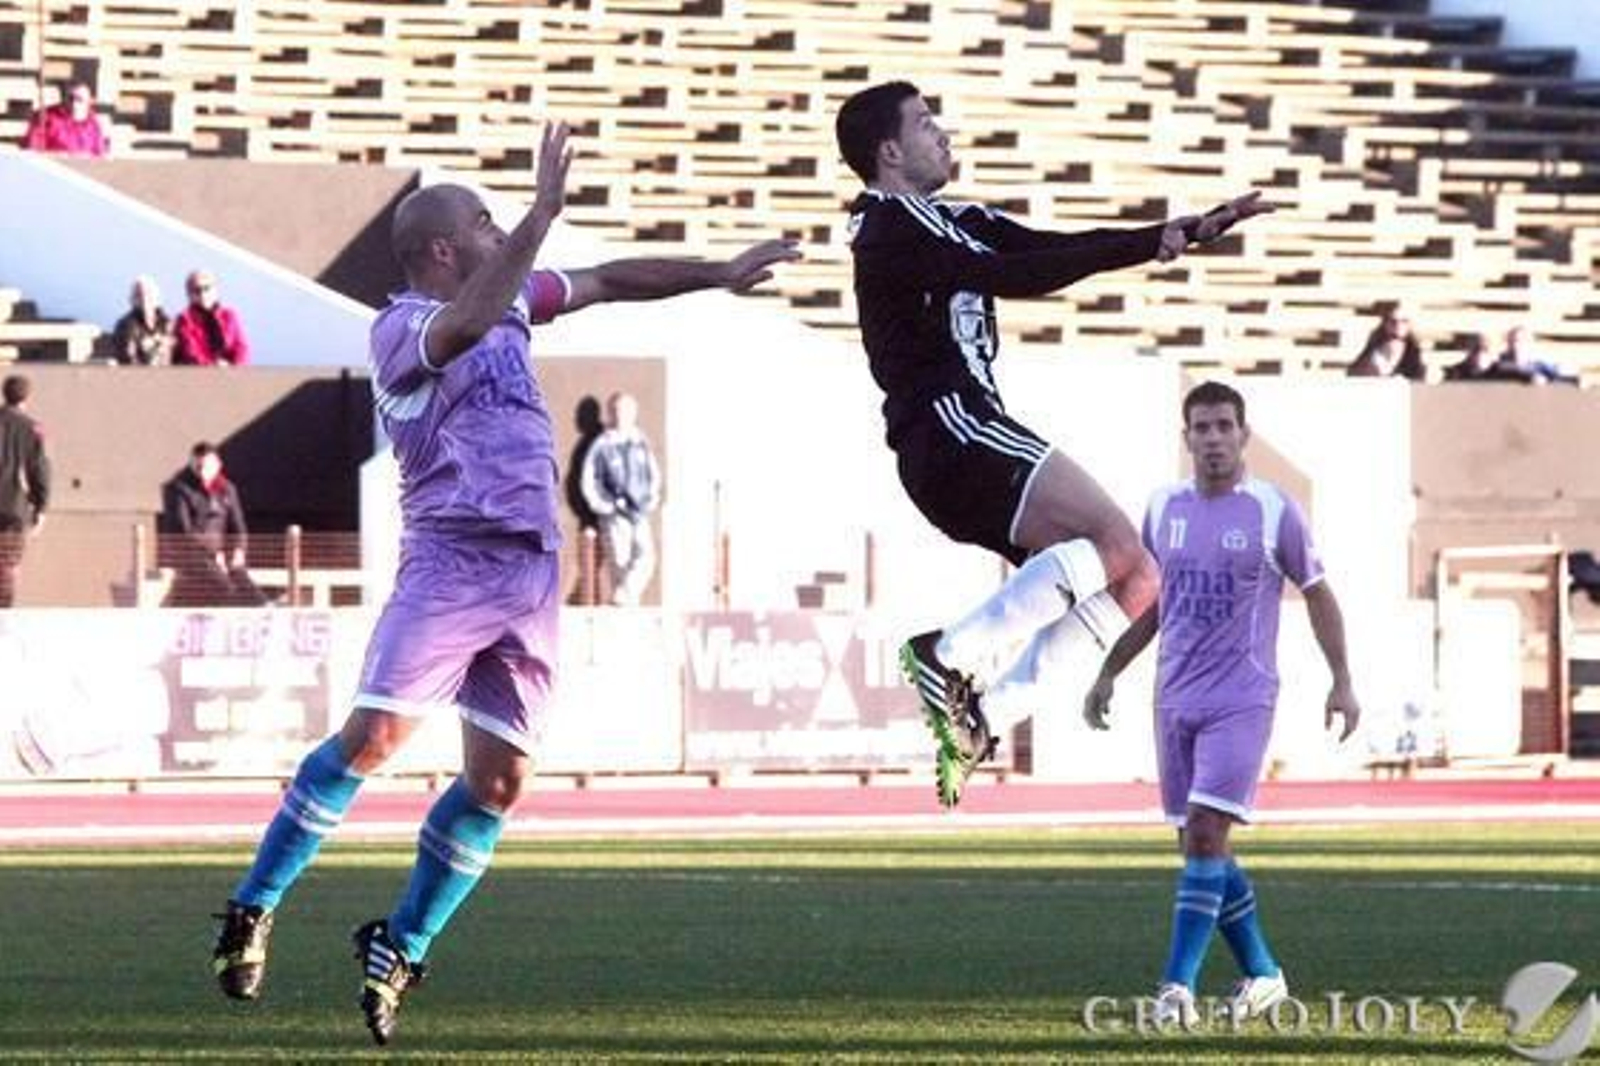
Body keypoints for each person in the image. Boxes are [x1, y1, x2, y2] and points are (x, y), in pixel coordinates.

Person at [209, 122, 798, 1045]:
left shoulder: (510, 298)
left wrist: (716, 273)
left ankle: (401, 942)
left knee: (501, 782)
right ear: (443, 248)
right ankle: (253, 905)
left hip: (530, 569)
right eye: (484, 223)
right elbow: (470, 322)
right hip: (450, 562)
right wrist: (539, 213)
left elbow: (607, 283)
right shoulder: (402, 327)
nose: (499, 233)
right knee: (374, 737)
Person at [834, 79, 1274, 807]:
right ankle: (945, 657)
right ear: (888, 151)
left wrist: (1170, 234)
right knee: (1113, 541)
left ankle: (984, 719)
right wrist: (1148, 243)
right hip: (950, 428)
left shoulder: (947, 219)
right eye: (922, 123)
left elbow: (1043, 246)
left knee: (1138, 578)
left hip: (963, 435)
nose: (941, 132)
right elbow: (1017, 273)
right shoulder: (892, 227)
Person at [1082, 380, 1361, 1029]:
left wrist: (1341, 678)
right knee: (1198, 845)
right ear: (1187, 439)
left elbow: (1317, 592)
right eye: (1201, 428)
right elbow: (1152, 604)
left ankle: (1175, 989)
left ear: (1243, 434)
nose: (1213, 438)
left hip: (1243, 698)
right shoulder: (1161, 509)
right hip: (1173, 698)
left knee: (1208, 831)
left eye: (1223, 426)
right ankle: (1264, 974)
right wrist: (1108, 672)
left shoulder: (1274, 510)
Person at [578, 390, 662, 605]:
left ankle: (623, 597)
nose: (622, 415)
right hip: (615, 514)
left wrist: (652, 498)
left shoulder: (640, 441)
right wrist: (603, 506)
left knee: (646, 558)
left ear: (634, 413)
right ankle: (624, 616)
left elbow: (653, 473)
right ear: (610, 413)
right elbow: (589, 479)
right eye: (617, 410)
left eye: (626, 410)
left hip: (640, 512)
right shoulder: (602, 444)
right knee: (620, 565)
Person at [160, 442, 267, 607]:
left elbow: (238, 526)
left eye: (206, 466)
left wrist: (238, 550)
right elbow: (183, 531)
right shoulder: (177, 489)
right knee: (226, 588)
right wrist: (213, 554)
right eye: (198, 466)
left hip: (220, 555)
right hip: (191, 555)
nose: (202, 470)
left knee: (248, 589)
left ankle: (267, 611)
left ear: (217, 465)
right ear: (191, 464)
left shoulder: (227, 489)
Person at [0, 375, 50, 608]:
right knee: (9, 563)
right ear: (27, 397)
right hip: (14, 508)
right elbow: (40, 469)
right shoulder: (33, 429)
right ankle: (4, 614)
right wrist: (41, 507)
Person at [173, 270, 251, 366]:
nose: (202, 294)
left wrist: (234, 366)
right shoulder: (184, 320)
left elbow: (241, 347)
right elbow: (190, 352)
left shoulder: (229, 315)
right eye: (197, 290)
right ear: (189, 294)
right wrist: (213, 365)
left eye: (207, 288)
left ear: (215, 290)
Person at [22, 80, 108, 157]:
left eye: (80, 100)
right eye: (70, 99)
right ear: (64, 98)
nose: (74, 104)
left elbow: (99, 156)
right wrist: (60, 155)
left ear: (90, 101)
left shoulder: (93, 123)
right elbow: (31, 152)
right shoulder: (45, 117)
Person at [1346, 305, 1425, 381]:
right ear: (1385, 323)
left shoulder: (1413, 354)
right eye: (1393, 321)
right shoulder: (1373, 349)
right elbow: (1354, 374)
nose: (1398, 325)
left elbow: (1417, 380)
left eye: (1404, 321)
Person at [110, 276, 174, 366]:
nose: (144, 299)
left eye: (148, 293)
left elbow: (174, 352)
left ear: (156, 296)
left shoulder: (167, 322)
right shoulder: (125, 325)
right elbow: (128, 358)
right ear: (133, 299)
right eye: (139, 295)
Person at [1485, 325, 1577, 386]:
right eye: (1511, 341)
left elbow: (1559, 376)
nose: (1515, 345)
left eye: (1518, 341)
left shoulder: (1540, 365)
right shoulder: (1500, 363)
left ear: (1528, 343)